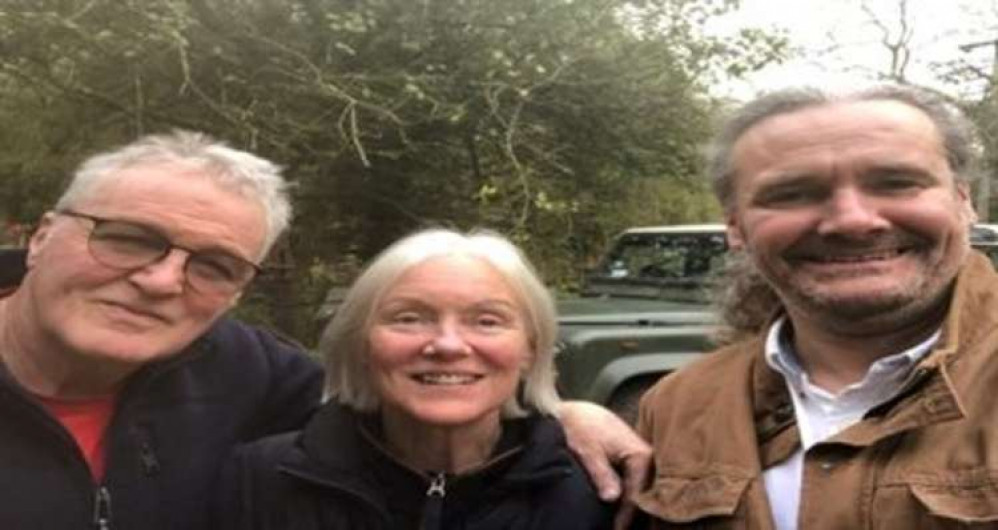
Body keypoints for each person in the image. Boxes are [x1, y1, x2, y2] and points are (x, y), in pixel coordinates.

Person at [0, 131, 649, 529]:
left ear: (238, 291)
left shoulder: (247, 375)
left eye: (213, 265)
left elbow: (420, 387)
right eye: (128, 239)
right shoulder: (262, 474)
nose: (163, 280)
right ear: (43, 236)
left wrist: (561, 411)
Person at [634, 84, 998, 529]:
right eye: (793, 193)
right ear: (736, 227)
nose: (852, 220)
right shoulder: (676, 405)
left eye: (896, 183)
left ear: (964, 202)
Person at [218, 229, 616, 529]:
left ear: (531, 348)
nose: (447, 344)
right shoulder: (260, 480)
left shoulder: (597, 492)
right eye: (408, 318)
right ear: (361, 343)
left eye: (487, 321)